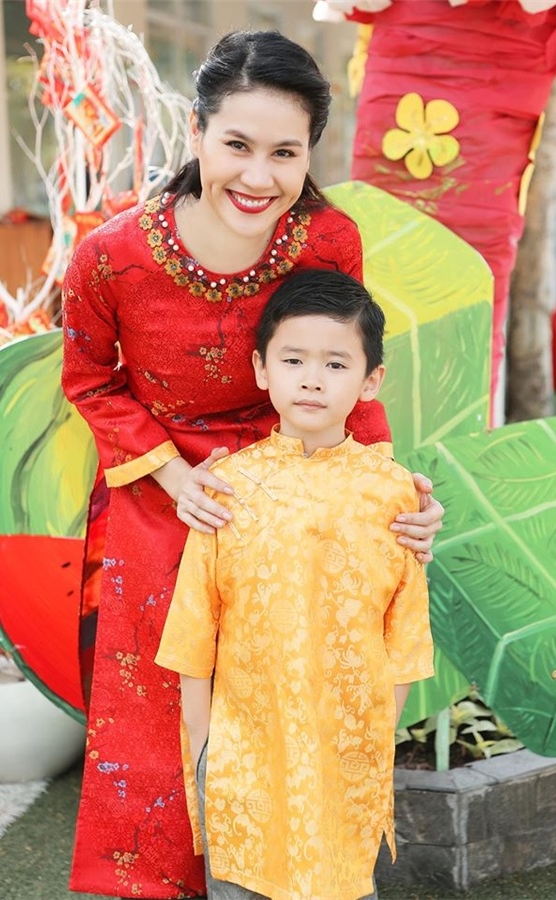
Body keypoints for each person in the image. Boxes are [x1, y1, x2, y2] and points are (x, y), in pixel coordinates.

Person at [61, 30, 443, 899]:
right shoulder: (109, 256)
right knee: (162, 712)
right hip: (169, 492)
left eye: (285, 153)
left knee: (299, 692)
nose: (259, 176)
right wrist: (175, 479)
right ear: (196, 133)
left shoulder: (329, 239)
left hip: (300, 483)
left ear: (311, 153)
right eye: (237, 144)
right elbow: (88, 378)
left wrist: (387, 497)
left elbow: (346, 367)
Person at [155, 268, 435, 900]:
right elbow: (194, 628)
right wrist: (203, 748)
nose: (312, 379)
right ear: (261, 369)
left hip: (347, 751)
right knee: (242, 882)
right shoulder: (227, 486)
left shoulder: (393, 492)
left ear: (371, 381)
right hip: (242, 747)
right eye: (293, 359)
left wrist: (375, 738)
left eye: (336, 364)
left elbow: (405, 636)